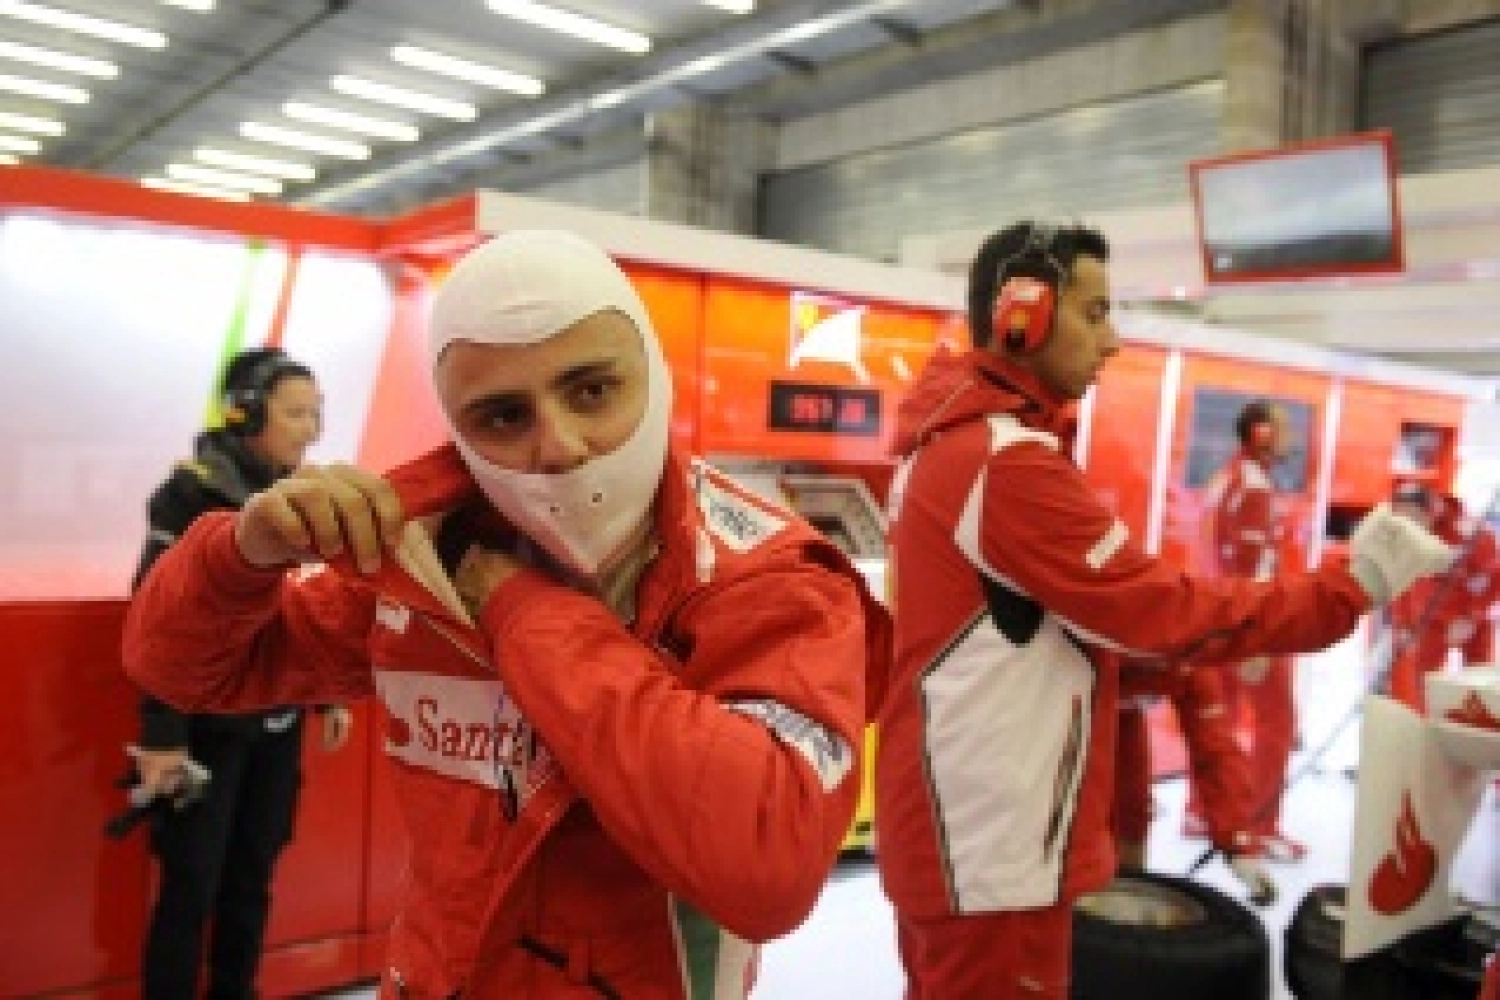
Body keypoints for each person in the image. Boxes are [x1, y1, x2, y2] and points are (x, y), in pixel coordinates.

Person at [122, 230, 888, 999]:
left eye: (591, 390)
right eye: (502, 416)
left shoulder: (772, 577)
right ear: (459, 426)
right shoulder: (424, 550)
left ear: (652, 375)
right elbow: (184, 669)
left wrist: (524, 614)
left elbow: (766, 864)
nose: (558, 446)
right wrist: (241, 553)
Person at [876, 220, 1454, 999]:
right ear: (1023, 316)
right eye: (1095, 312)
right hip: (989, 852)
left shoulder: (950, 446)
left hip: (968, 836)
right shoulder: (1004, 461)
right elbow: (1160, 611)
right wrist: (1349, 586)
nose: (1111, 341)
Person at [129, 347, 354, 1000]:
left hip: (275, 732)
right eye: (295, 413)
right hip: (203, 737)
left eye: (317, 413)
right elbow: (156, 627)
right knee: (190, 888)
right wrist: (161, 738)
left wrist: (327, 697)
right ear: (246, 412)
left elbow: (306, 609)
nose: (311, 429)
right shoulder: (189, 496)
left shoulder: (304, 499)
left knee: (252, 878)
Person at [1185, 399, 1305, 861]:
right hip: (1251, 622)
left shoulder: (1226, 477)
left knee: (1220, 718)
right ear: (1261, 434)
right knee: (1276, 722)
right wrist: (1256, 635)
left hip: (1218, 617)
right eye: (1283, 426)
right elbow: (1248, 565)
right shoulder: (1252, 484)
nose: (1291, 436)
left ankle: (1204, 809)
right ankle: (1260, 824)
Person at [1112, 660, 1275, 905]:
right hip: (1058, 683)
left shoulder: (1191, 654)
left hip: (1122, 703)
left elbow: (1215, 750)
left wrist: (1238, 842)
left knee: (1132, 812)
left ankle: (1120, 905)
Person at [1386, 481, 1500, 713]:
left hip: (1471, 619)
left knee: (1479, 683)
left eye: (1412, 518)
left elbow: (1492, 577)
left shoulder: (1469, 533)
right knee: (1424, 684)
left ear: (1431, 511)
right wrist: (1404, 622)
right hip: (1431, 619)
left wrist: (1472, 618)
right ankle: (1428, 730)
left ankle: (1476, 727)